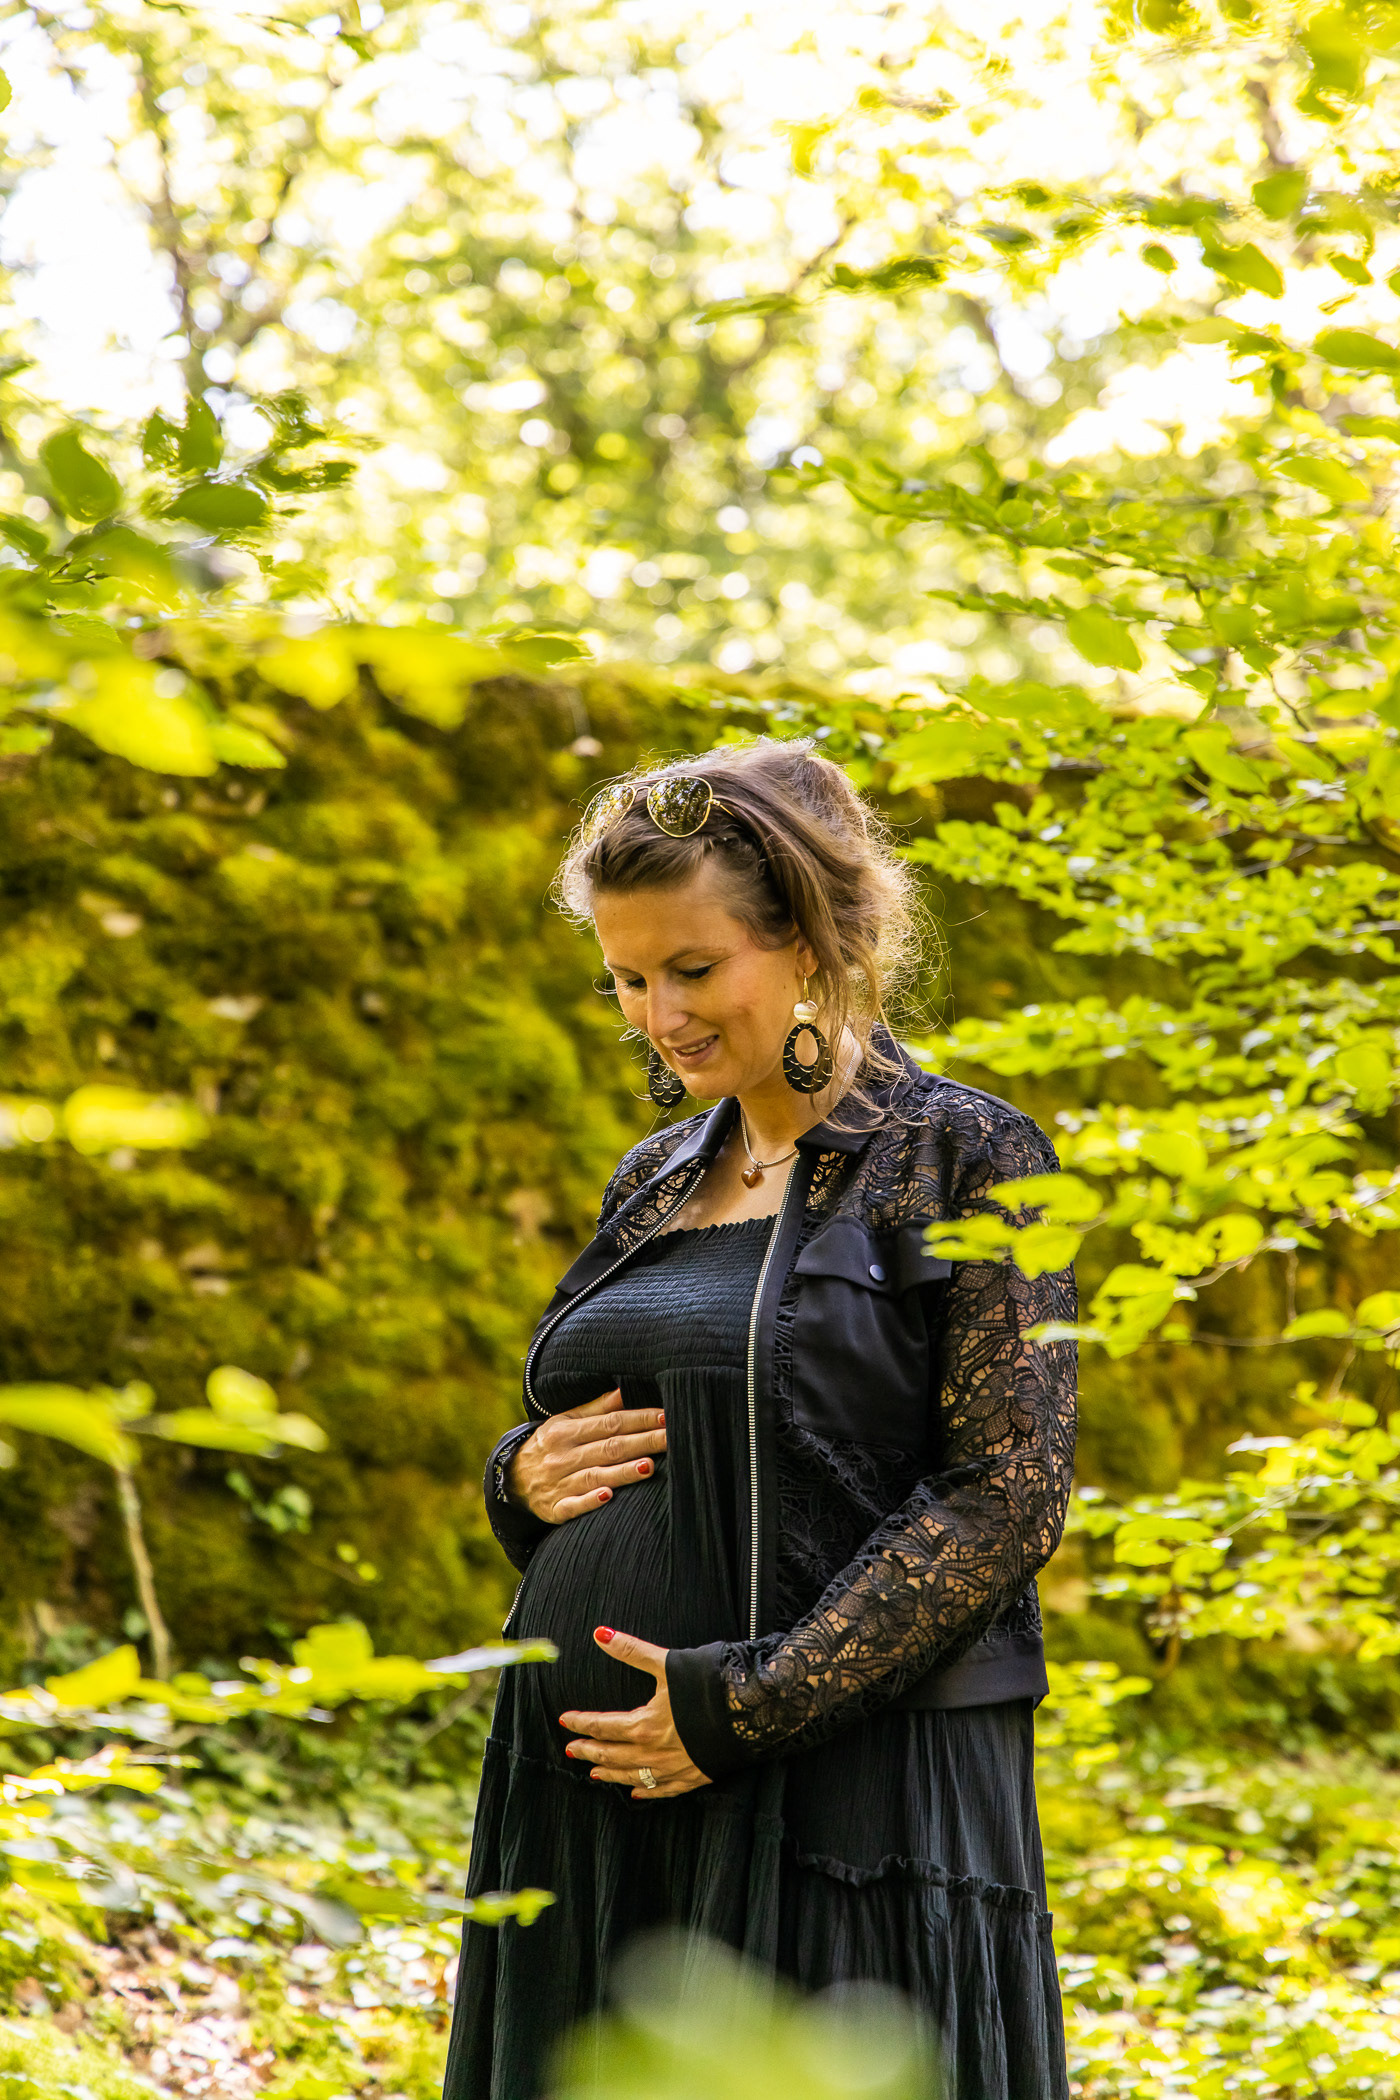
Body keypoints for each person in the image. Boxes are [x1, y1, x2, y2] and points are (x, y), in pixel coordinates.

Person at [442, 738, 1077, 2100]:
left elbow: (1009, 1494)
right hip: (591, 1783)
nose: (657, 1015)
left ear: (806, 940)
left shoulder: (969, 1155)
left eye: (691, 968)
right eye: (626, 978)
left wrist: (747, 1703)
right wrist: (521, 1476)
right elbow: (621, 1418)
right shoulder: (656, 1175)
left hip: (850, 1777)